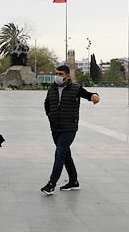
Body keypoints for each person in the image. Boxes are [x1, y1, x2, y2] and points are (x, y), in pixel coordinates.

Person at [41, 65, 100, 195]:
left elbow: (88, 95)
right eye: (56, 73)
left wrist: (95, 96)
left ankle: (51, 184)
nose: (57, 76)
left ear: (68, 76)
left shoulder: (76, 88)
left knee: (59, 154)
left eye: (60, 74)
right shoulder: (51, 89)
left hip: (69, 128)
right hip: (55, 127)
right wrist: (50, 116)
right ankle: (73, 182)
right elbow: (47, 104)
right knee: (66, 155)